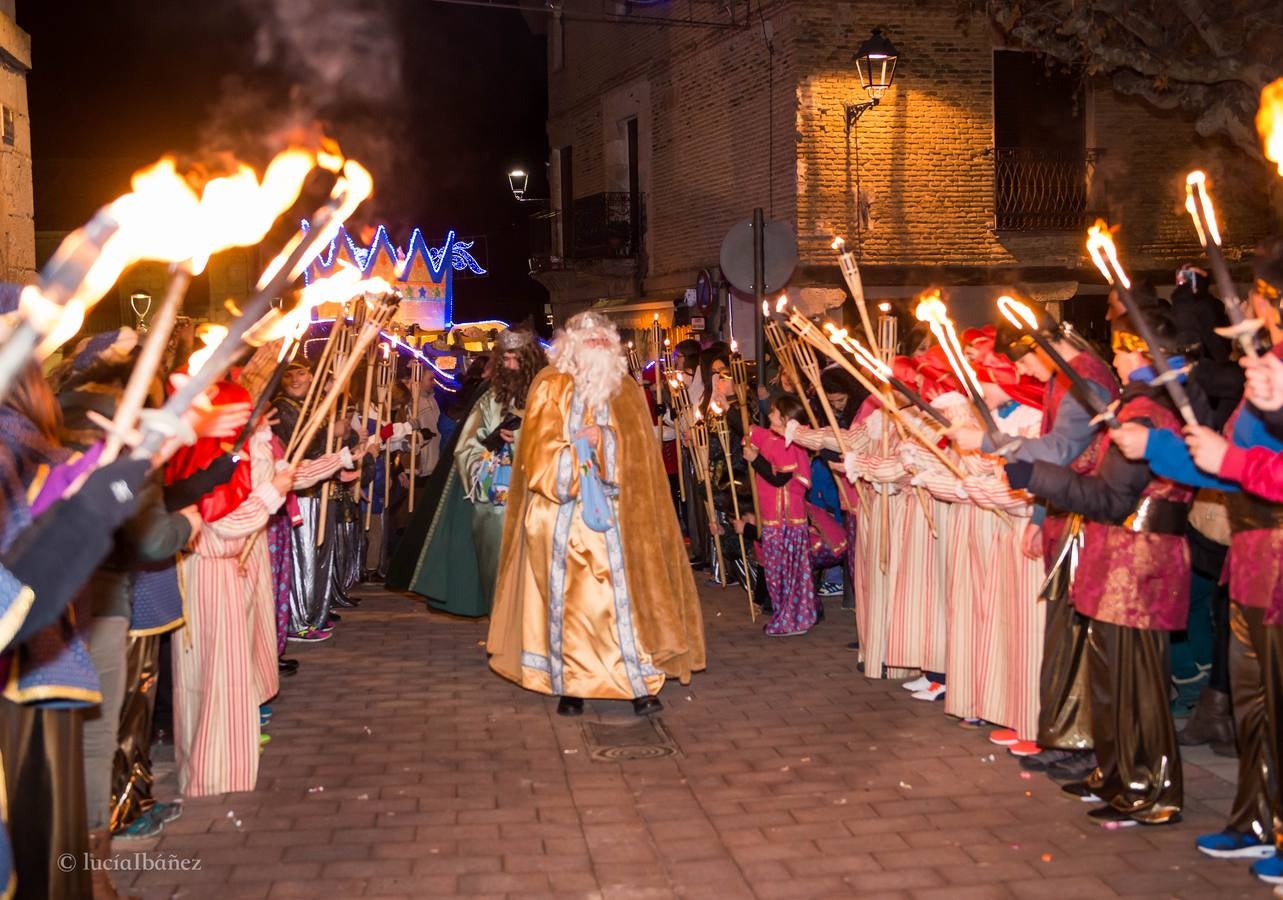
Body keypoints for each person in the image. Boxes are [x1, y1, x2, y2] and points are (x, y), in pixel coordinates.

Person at [1007, 302, 1193, 827]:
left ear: (1140, 352)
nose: (1113, 356)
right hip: (1118, 560)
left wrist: (1036, 474)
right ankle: (1116, 772)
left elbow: (1112, 496)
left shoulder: (1150, 412)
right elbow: (1091, 464)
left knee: (1139, 682)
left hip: (1141, 562)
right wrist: (1036, 469)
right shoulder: (1132, 408)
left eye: (1120, 347)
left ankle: (1149, 786)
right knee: (1112, 677)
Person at [486, 311, 705, 717]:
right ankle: (572, 684)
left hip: (620, 516)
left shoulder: (624, 389)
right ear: (572, 346)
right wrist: (574, 452)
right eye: (590, 341)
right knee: (569, 603)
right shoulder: (550, 386)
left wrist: (604, 441)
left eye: (604, 340)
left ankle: (637, 682)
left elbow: (642, 456)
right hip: (562, 515)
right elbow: (536, 453)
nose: (600, 347)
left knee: (625, 599)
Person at [967, 306, 1119, 781]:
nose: (1024, 371)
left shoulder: (1087, 382)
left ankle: (1086, 745)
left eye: (1028, 358)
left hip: (1088, 522)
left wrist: (988, 442)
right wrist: (1038, 514)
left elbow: (1061, 451)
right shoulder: (1065, 380)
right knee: (1063, 639)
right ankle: (1064, 736)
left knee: (1080, 639)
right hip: (1065, 515)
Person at [392, 330, 546, 616]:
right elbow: (468, 445)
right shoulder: (489, 396)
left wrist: (526, 437)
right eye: (507, 359)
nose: (511, 366)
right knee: (496, 564)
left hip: (537, 491)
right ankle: (500, 623)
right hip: (497, 496)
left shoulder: (546, 394)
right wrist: (494, 443)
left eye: (517, 360)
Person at [745, 395, 815, 636]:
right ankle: (785, 615)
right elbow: (750, 430)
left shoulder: (791, 443)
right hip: (773, 517)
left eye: (775, 413)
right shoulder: (774, 437)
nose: (770, 416)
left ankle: (792, 619)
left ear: (787, 419)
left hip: (786, 520)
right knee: (775, 571)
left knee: (786, 572)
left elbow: (780, 478)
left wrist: (756, 460)